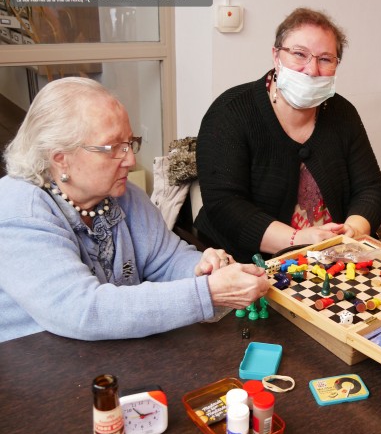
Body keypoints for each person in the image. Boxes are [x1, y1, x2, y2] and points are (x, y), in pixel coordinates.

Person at [0, 77, 270, 343]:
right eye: (114, 147)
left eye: (130, 143)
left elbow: (167, 259)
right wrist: (206, 293)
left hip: (116, 350)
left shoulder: (124, 196)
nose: (130, 159)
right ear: (61, 158)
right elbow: (83, 311)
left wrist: (204, 269)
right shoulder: (19, 210)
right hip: (35, 366)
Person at [195, 7, 381, 262]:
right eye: (299, 54)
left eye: (325, 59)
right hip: (248, 261)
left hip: (333, 255)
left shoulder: (343, 113)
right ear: (276, 55)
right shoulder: (231, 113)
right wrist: (297, 241)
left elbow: (371, 188)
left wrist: (352, 231)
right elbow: (224, 205)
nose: (311, 69)